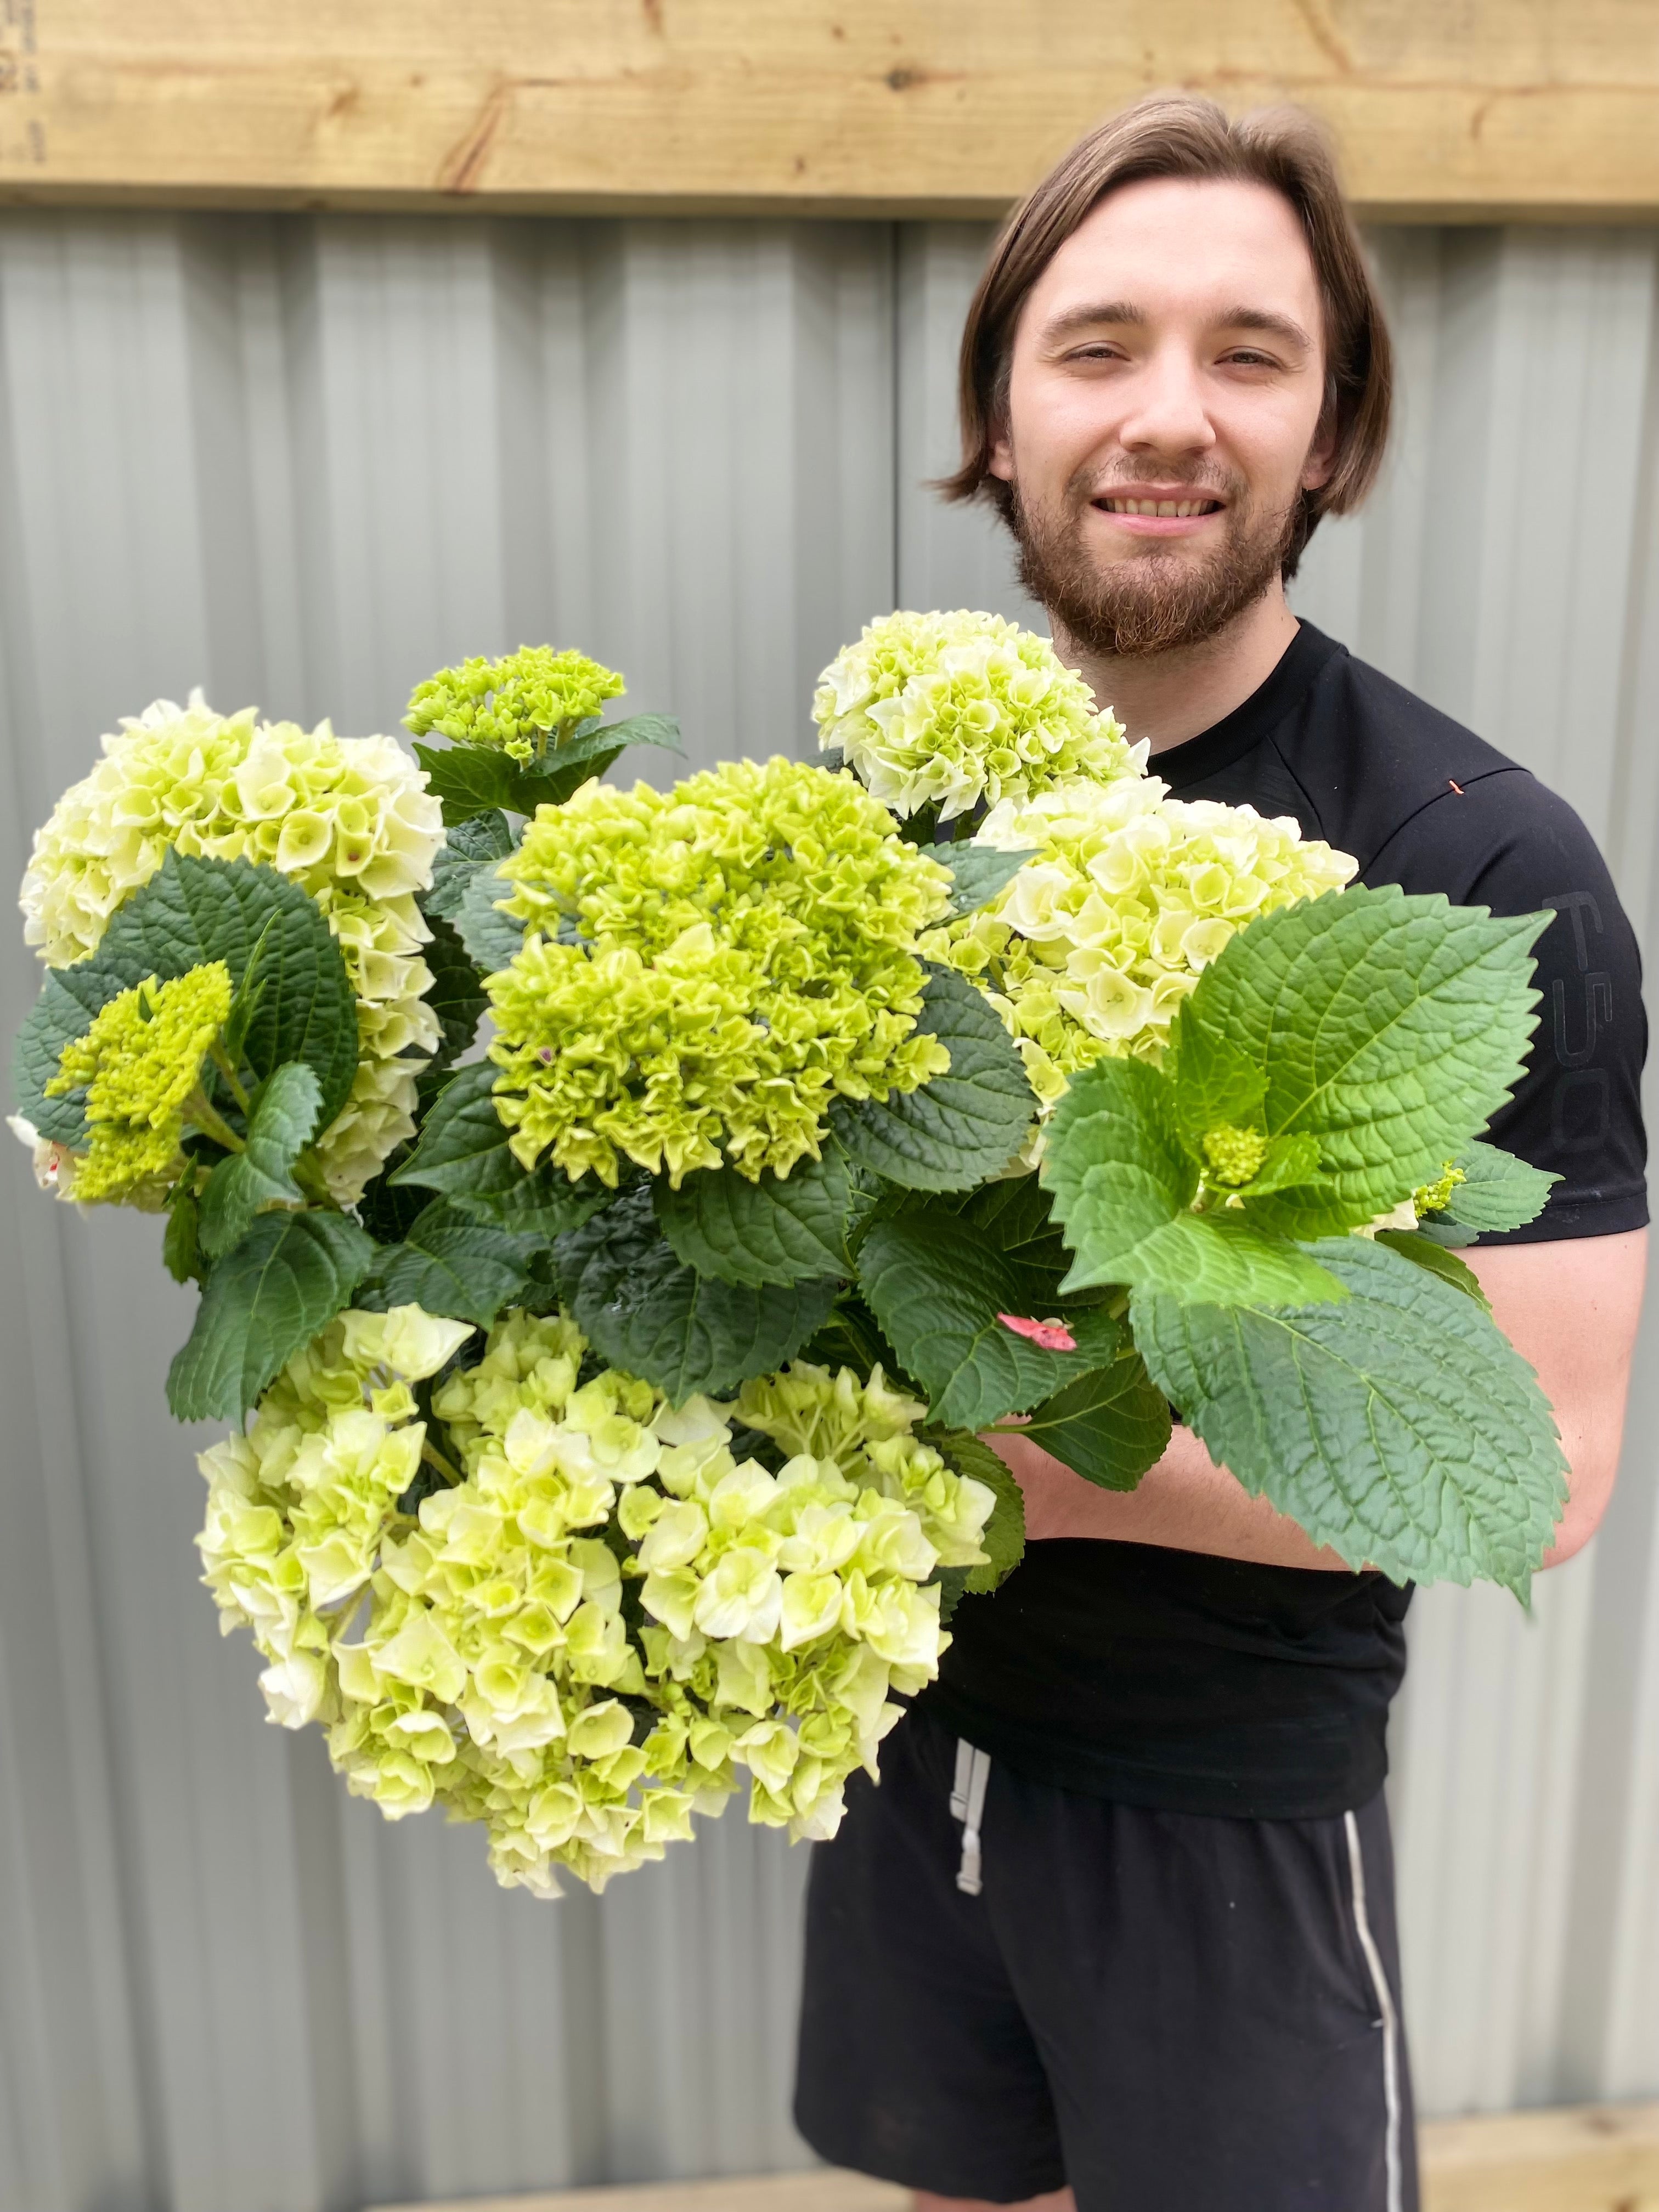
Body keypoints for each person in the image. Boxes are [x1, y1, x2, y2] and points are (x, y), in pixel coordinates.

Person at [793, 94, 1649, 2212]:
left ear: (1331, 434)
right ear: (998, 416)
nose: (1168, 414)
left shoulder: (1474, 870)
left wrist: (1029, 1462)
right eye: (1096, 346)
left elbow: (1539, 1466)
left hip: (1217, 1809)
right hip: (900, 1732)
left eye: (1249, 354)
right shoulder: (906, 820)